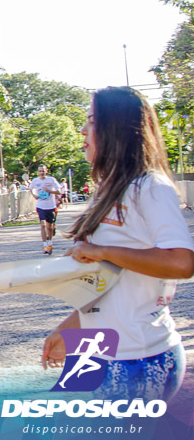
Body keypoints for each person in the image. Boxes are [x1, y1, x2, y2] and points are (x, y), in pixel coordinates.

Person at [42, 86, 194, 401]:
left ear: (120, 129)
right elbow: (111, 282)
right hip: (97, 350)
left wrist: (101, 251)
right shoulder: (108, 190)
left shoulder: (150, 187)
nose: (83, 129)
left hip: (138, 358)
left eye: (93, 120)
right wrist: (68, 328)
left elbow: (181, 262)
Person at [30, 165, 61, 255]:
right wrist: (34, 195)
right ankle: (45, 246)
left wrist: (49, 191)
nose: (41, 173)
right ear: (38, 172)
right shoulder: (35, 181)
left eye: (43, 171)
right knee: (43, 225)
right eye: (40, 171)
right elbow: (30, 189)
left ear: (46, 171)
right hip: (40, 206)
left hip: (50, 206)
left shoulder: (51, 180)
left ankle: (50, 243)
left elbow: (59, 191)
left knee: (49, 227)